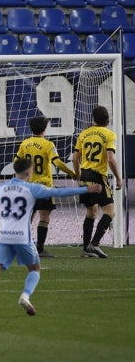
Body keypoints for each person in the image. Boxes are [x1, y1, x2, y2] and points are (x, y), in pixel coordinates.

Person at [0, 158, 101, 318]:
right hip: (21, 238)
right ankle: (25, 296)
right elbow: (58, 192)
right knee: (34, 269)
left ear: (14, 170)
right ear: (29, 171)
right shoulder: (32, 188)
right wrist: (86, 190)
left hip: (3, 237)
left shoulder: (2, 187)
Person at [15, 116, 76, 258]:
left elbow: (16, 162)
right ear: (44, 128)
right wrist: (72, 173)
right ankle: (40, 249)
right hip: (44, 186)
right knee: (44, 216)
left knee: (27, 216)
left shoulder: (25, 143)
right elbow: (58, 163)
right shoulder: (48, 144)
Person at [72, 105, 123, 259]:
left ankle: (86, 248)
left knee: (91, 212)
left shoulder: (84, 134)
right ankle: (94, 244)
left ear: (93, 119)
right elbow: (110, 158)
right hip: (98, 176)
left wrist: (78, 175)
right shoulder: (109, 134)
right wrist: (118, 177)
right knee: (110, 211)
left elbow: (75, 158)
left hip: (85, 174)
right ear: (107, 120)